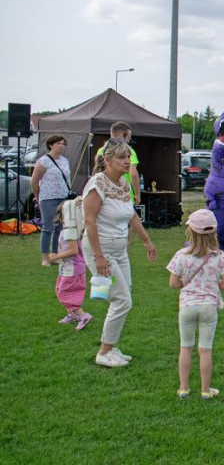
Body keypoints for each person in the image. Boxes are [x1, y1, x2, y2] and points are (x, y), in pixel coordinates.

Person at [82, 139, 157, 368]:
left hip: (119, 250)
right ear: (107, 160)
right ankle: (104, 352)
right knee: (122, 300)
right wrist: (98, 257)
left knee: (125, 296)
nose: (128, 161)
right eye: (123, 157)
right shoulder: (97, 184)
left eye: (129, 157)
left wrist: (147, 241)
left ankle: (111, 347)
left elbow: (131, 215)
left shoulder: (124, 184)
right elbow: (89, 221)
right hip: (101, 250)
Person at [167, 209, 224, 400]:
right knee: (205, 349)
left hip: (187, 306)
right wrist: (213, 284)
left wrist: (185, 284)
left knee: (185, 347)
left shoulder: (181, 255)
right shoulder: (220, 256)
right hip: (208, 307)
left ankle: (184, 388)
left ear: (190, 232)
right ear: (214, 233)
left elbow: (173, 283)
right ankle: (205, 390)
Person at [49, 202, 92, 331]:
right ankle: (72, 314)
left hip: (73, 269)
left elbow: (73, 251)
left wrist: (56, 256)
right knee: (60, 290)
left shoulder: (71, 230)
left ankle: (83, 315)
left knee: (64, 293)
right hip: (67, 267)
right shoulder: (73, 229)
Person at [31, 134, 71, 266]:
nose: (61, 146)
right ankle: (44, 257)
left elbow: (67, 179)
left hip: (63, 197)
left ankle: (55, 255)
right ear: (50, 145)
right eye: (59, 143)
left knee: (59, 228)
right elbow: (34, 180)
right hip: (48, 198)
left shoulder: (65, 160)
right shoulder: (43, 161)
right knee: (47, 227)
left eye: (63, 144)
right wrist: (37, 196)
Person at [97, 122, 141, 205]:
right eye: (128, 138)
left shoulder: (101, 150)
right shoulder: (129, 151)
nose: (128, 141)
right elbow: (133, 174)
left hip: (105, 195)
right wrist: (137, 195)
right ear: (122, 135)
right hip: (124, 196)